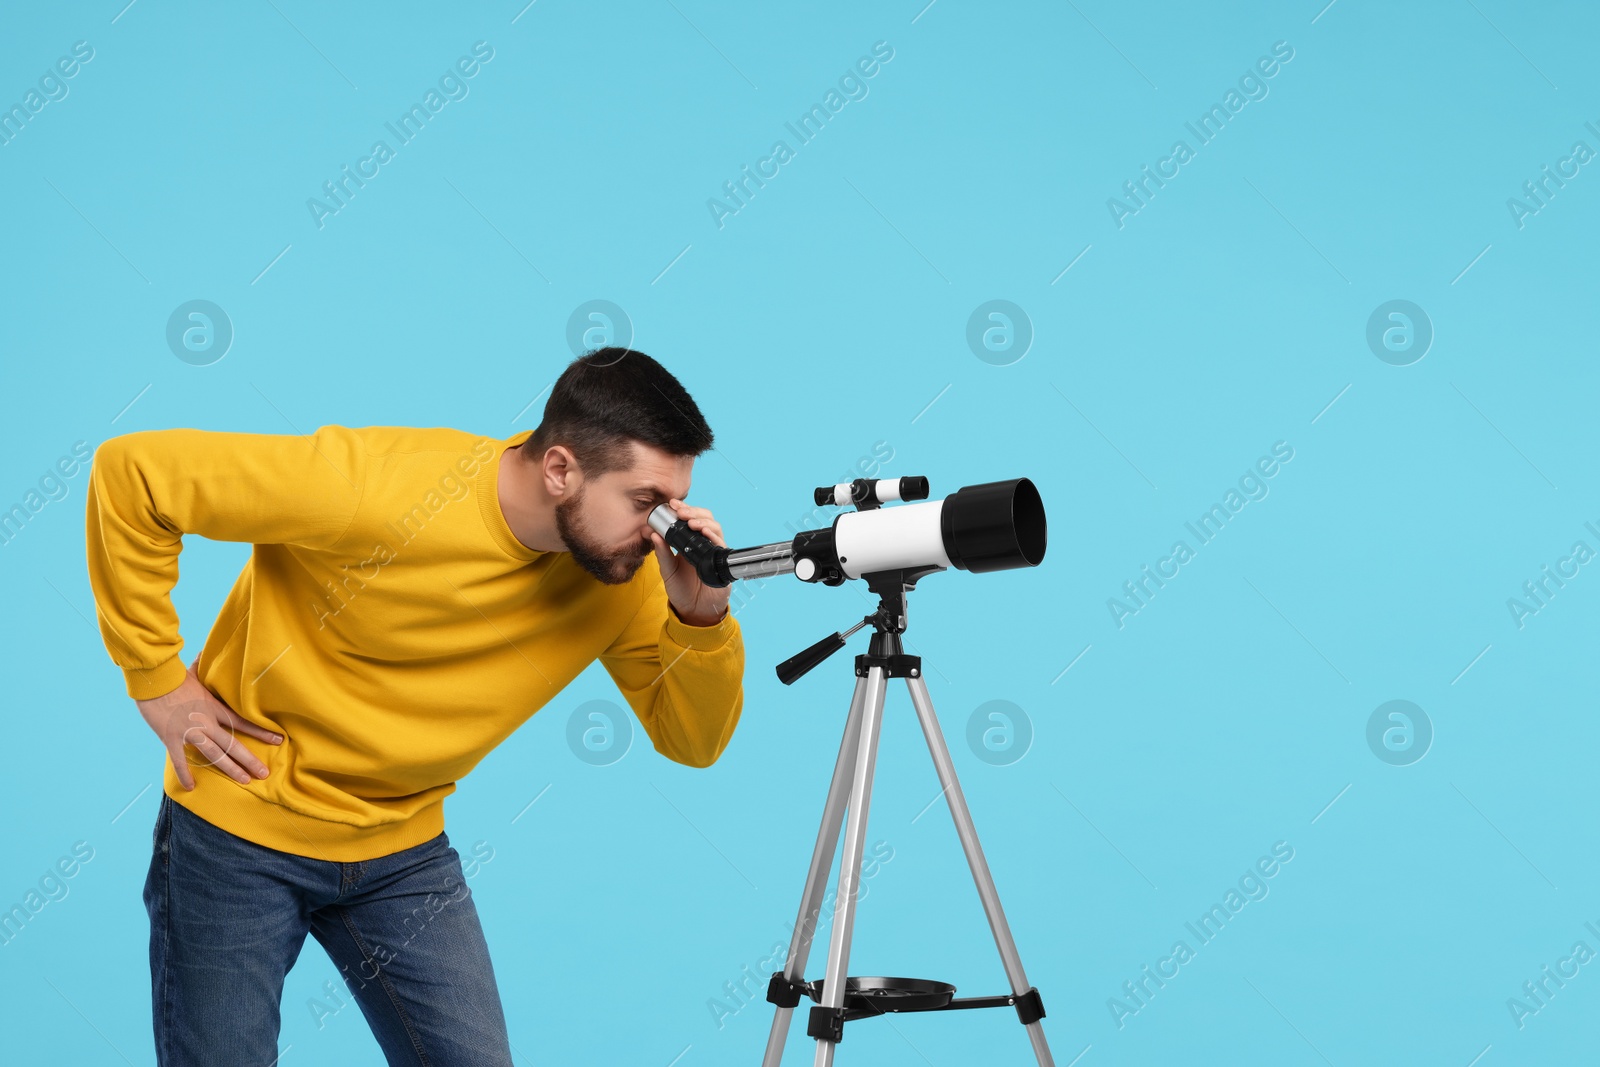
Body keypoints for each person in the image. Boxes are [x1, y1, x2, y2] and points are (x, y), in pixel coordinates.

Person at [83, 348, 746, 1065]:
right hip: (239, 830)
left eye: (672, 505)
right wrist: (155, 678)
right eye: (647, 501)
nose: (659, 530)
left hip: (400, 852)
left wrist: (702, 618)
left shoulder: (624, 575)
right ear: (561, 469)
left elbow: (692, 739)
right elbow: (133, 475)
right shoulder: (379, 485)